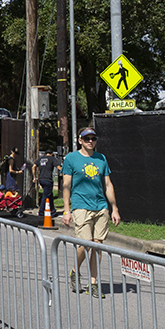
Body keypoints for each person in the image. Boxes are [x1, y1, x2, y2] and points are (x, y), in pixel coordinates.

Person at [61, 127, 121, 297]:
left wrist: (114, 208)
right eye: (86, 138)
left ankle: (93, 283)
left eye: (93, 138)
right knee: (86, 244)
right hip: (81, 206)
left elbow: (108, 185)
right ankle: (75, 270)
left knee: (97, 245)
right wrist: (67, 210)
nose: (90, 141)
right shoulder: (71, 158)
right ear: (80, 140)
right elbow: (66, 186)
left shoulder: (101, 158)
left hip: (100, 206)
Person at [34, 148, 60, 217]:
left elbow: (33, 166)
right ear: (52, 154)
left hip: (41, 179)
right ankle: (41, 212)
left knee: (49, 195)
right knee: (45, 196)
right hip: (48, 180)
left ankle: (53, 211)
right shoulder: (52, 159)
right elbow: (59, 167)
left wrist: (34, 177)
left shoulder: (41, 158)